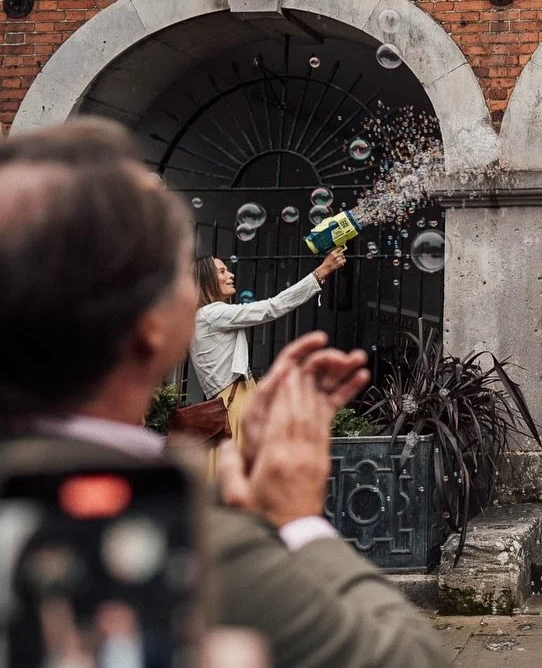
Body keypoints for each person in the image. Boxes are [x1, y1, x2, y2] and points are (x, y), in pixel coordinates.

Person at [0, 118, 449, 668]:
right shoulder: (189, 546)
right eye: (175, 273)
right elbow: (411, 657)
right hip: (232, 405)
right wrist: (296, 521)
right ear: (151, 325)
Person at [192, 248, 346, 452]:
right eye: (222, 272)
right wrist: (321, 272)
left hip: (237, 398)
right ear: (207, 280)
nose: (230, 275)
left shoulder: (206, 315)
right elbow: (273, 307)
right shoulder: (213, 314)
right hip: (235, 402)